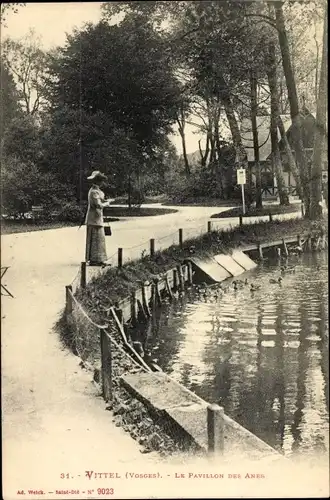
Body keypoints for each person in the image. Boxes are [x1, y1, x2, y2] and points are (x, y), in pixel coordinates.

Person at [85, 170, 110, 266]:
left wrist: (105, 200)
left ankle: (98, 259)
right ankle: (94, 260)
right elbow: (98, 205)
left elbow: (100, 199)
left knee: (99, 239)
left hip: (96, 218)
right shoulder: (94, 192)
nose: (102, 183)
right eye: (101, 181)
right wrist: (107, 203)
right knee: (96, 239)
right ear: (98, 181)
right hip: (94, 219)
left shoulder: (96, 191)